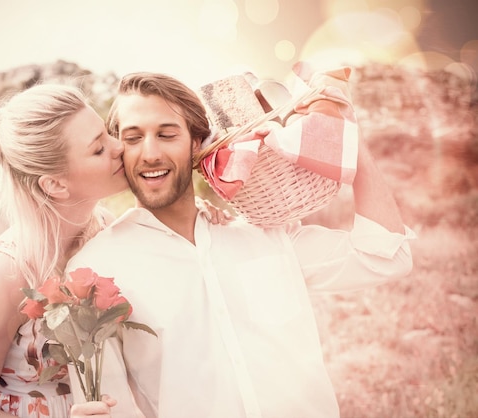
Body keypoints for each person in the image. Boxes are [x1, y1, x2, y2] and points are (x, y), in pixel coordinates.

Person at [65, 72, 415, 417]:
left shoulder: (266, 233)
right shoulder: (97, 270)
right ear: (118, 151)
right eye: (133, 138)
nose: (150, 153)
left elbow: (388, 257)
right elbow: (110, 405)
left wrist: (346, 134)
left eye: (167, 134)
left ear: (196, 143)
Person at [0, 82, 230, 418]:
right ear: (55, 184)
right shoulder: (4, 273)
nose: (119, 147)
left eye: (108, 134)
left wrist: (199, 215)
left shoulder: (105, 228)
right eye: (98, 149)